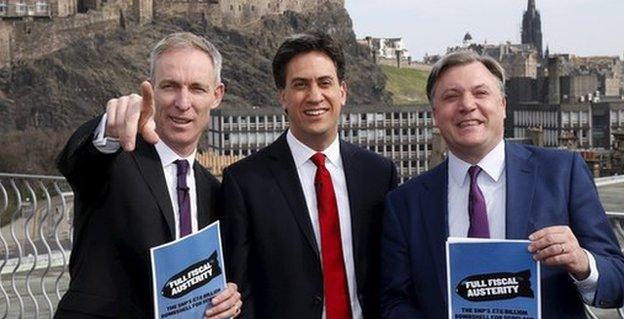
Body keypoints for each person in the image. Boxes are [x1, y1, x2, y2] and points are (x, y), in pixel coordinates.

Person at [380, 51, 624, 318]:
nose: (467, 105)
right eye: (451, 96)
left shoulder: (563, 174)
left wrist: (582, 263)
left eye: (480, 93)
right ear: (435, 115)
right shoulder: (405, 202)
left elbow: (617, 279)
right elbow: (395, 301)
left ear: (503, 106)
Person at [55, 32, 241, 319]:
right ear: (150, 89)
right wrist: (109, 129)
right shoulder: (115, 158)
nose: (182, 102)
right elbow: (77, 162)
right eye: (169, 86)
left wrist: (229, 298)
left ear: (217, 95)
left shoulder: (215, 191)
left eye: (197, 89)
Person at [221, 31, 398, 319]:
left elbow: (391, 272)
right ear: (283, 97)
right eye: (300, 85)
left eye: (325, 83)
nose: (315, 96)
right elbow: (241, 288)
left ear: (342, 91)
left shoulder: (378, 173)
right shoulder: (245, 182)